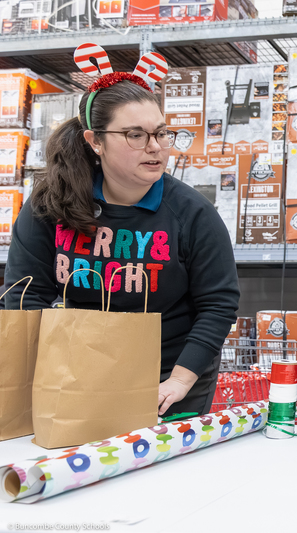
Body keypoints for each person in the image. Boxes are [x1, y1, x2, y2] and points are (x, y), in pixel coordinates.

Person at [1, 55, 239, 417]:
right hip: (73, 370)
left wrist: (179, 381)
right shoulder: (51, 203)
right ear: (95, 141)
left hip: (167, 378)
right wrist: (36, 373)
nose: (156, 146)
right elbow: (25, 294)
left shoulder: (192, 214)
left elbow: (218, 304)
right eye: (135, 135)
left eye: (161, 133)